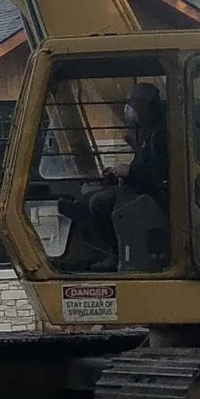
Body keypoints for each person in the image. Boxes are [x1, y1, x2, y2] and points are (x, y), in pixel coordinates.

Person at [68, 83, 169, 270]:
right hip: (139, 188)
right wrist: (120, 174)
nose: (129, 106)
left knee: (99, 202)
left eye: (134, 101)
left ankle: (114, 256)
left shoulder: (161, 135)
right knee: (88, 197)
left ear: (147, 104)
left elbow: (161, 173)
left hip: (154, 196)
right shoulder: (147, 132)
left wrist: (131, 172)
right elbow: (143, 165)